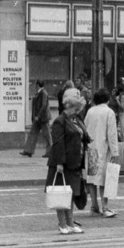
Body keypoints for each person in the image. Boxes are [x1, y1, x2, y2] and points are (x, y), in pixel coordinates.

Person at [48, 92, 88, 235]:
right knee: (61, 194)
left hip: (74, 163)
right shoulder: (60, 121)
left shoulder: (75, 120)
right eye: (76, 109)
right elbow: (58, 143)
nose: (77, 112)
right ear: (69, 106)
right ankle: (62, 224)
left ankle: (70, 223)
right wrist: (60, 163)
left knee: (70, 194)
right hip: (63, 164)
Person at [84, 88, 119, 218]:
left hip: (91, 148)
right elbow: (112, 134)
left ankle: (94, 206)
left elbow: (85, 128)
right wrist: (115, 151)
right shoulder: (109, 112)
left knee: (92, 179)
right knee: (105, 179)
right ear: (108, 99)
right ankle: (105, 207)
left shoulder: (90, 111)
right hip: (104, 149)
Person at [20, 80, 51, 157]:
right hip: (38, 118)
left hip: (43, 118)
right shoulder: (39, 93)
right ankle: (28, 150)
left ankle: (50, 152)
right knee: (33, 133)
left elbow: (43, 105)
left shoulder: (43, 93)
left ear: (37, 85)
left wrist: (38, 115)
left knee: (47, 135)